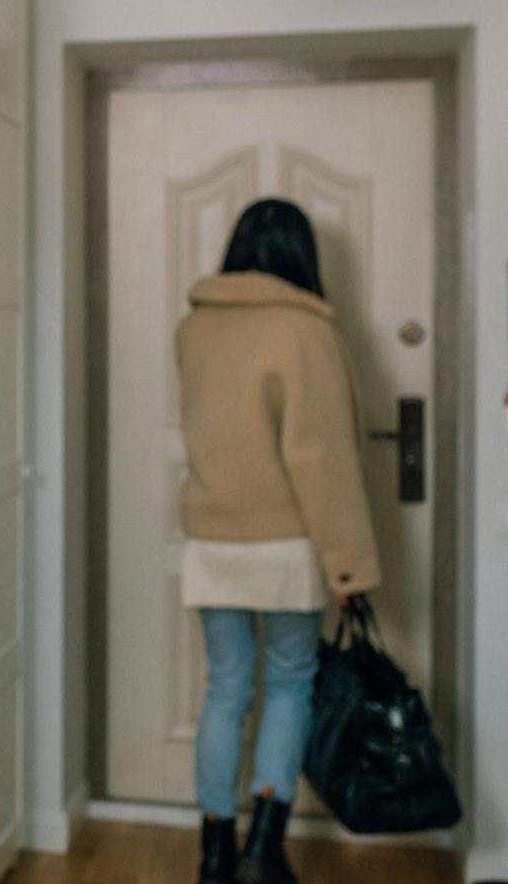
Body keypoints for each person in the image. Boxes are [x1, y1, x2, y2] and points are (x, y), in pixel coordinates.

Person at [175, 198, 381, 884]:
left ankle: (213, 854)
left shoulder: (193, 329)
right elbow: (323, 461)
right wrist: (349, 569)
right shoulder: (307, 331)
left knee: (225, 690)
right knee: (290, 684)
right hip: (287, 543)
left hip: (212, 538)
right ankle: (262, 851)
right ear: (301, 254)